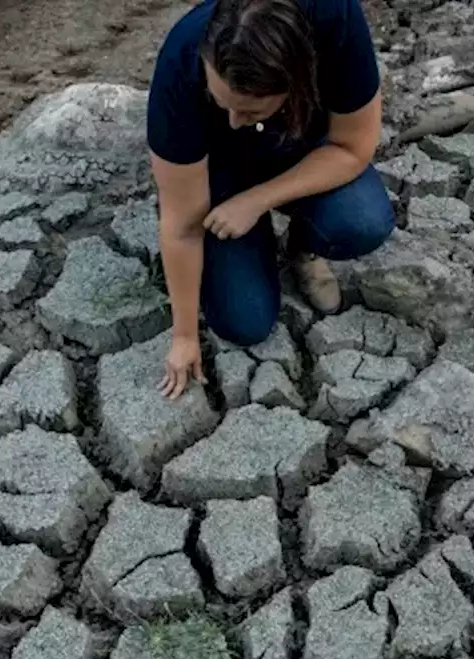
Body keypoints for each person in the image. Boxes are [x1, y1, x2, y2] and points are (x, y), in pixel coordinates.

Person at [147, 0, 395, 398]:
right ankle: (244, 242)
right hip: (217, 174)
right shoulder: (182, 63)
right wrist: (184, 336)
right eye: (221, 102)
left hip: (301, 146)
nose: (232, 121)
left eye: (248, 111)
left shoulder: (335, 17)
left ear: (295, 81)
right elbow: (182, 225)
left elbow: (354, 148)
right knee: (245, 322)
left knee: (362, 221)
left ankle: (303, 247)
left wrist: (257, 200)